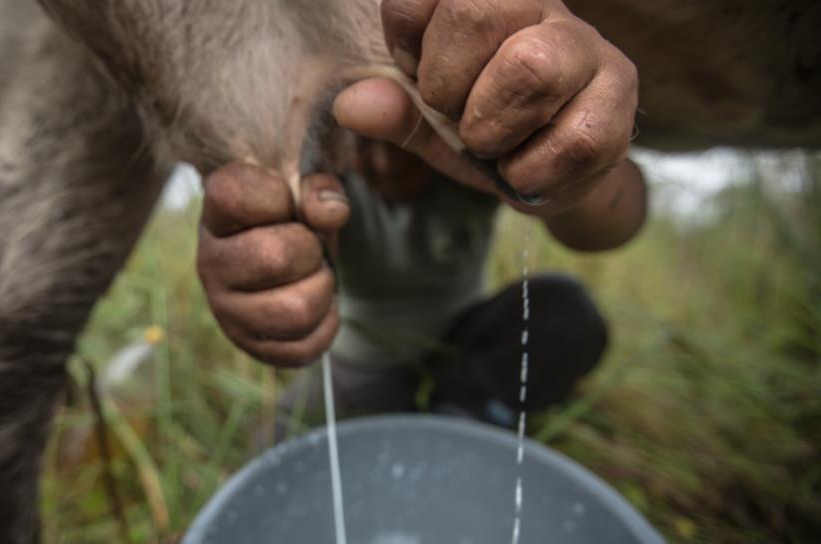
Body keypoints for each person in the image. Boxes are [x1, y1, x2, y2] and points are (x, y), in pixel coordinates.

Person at [196, 0, 647, 433]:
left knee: (566, 310)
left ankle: (469, 419)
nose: (387, 163)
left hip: (467, 340)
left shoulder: (478, 159)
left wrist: (575, 161)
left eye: (402, 145)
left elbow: (616, 218)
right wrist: (260, 263)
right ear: (337, 140)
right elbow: (272, 254)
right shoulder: (320, 180)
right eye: (365, 142)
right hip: (361, 360)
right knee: (278, 445)